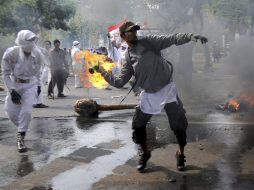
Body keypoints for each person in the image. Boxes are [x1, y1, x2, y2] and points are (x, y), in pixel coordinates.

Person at [97, 21, 208, 172]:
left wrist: (190, 36)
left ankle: (180, 154)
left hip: (167, 90)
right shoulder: (128, 57)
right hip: (149, 95)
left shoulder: (149, 42)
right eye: (130, 31)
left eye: (135, 30)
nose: (134, 33)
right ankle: (146, 153)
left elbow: (172, 38)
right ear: (123, 36)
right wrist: (102, 71)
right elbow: (119, 82)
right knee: (137, 126)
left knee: (179, 127)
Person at [1, 30, 45, 152]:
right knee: (10, 112)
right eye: (29, 40)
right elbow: (5, 74)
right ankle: (22, 127)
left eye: (33, 40)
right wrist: (12, 90)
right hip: (14, 83)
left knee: (26, 111)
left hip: (31, 85)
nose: (32, 42)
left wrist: (39, 86)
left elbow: (39, 72)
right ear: (21, 41)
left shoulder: (38, 54)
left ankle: (21, 137)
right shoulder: (11, 54)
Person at [33, 40, 52, 108]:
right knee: (38, 86)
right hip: (39, 70)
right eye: (45, 44)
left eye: (48, 44)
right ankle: (37, 102)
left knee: (38, 86)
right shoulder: (39, 50)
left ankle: (37, 102)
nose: (46, 45)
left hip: (45, 68)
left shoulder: (51, 50)